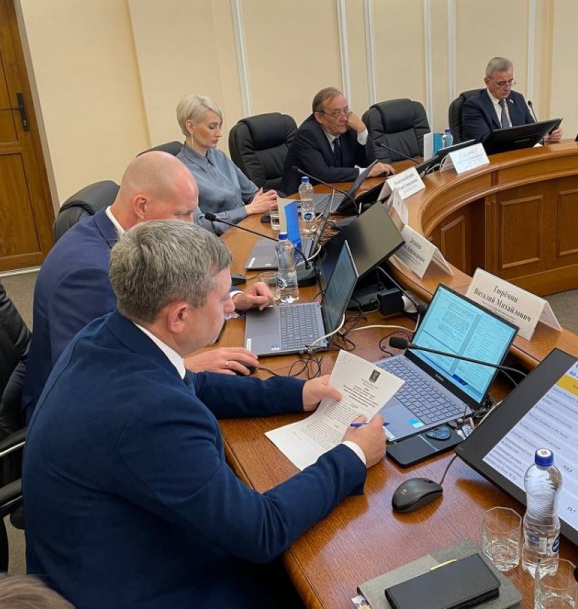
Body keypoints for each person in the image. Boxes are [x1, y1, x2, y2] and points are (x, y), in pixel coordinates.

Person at [24, 220, 387, 608]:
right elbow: (260, 531)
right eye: (222, 298)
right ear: (179, 316)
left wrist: (297, 393)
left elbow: (192, 383)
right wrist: (352, 455)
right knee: (339, 580)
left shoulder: (108, 333)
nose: (232, 305)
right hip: (139, 588)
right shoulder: (150, 415)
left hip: (105, 548)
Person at [20, 152, 272, 423]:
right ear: (141, 206)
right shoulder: (89, 273)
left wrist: (229, 297)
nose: (192, 225)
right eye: (182, 214)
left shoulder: (130, 243)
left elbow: (174, 283)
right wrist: (182, 366)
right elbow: (91, 373)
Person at [176, 94, 278, 234]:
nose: (219, 133)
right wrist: (246, 210)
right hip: (218, 240)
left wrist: (266, 201)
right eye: (212, 127)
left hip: (245, 229)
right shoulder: (180, 171)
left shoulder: (219, 155)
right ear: (190, 126)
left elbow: (253, 194)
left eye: (219, 126)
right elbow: (199, 225)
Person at [280, 87, 395, 195]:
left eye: (346, 110)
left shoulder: (347, 126)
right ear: (319, 117)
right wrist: (366, 172)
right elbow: (323, 174)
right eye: (336, 113)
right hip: (302, 198)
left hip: (337, 192)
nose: (344, 117)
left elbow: (370, 164)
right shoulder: (307, 134)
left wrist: (362, 130)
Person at [461, 56, 563, 144]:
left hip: (520, 155)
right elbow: (483, 142)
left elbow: (533, 129)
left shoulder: (517, 99)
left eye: (510, 82)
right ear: (487, 82)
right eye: (501, 83)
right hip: (494, 158)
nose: (507, 88)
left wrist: (547, 134)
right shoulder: (473, 106)